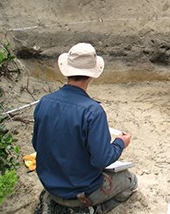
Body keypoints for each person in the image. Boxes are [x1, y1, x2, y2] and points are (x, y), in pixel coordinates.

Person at [33, 43, 138, 213]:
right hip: (79, 192)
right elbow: (102, 160)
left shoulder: (44, 102)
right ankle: (92, 209)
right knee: (130, 180)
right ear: (92, 76)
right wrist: (120, 143)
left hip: (51, 186)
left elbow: (37, 145)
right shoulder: (93, 111)